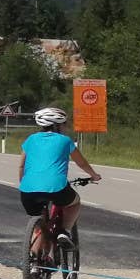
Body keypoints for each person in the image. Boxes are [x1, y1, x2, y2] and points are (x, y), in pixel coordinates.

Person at [17, 107, 101, 262]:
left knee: (40, 227)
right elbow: (81, 162)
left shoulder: (30, 139)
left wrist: (24, 184)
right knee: (74, 203)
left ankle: (34, 263)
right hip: (56, 187)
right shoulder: (65, 140)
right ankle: (65, 232)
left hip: (27, 191)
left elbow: (21, 166)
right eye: (64, 124)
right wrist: (93, 175)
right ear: (58, 125)